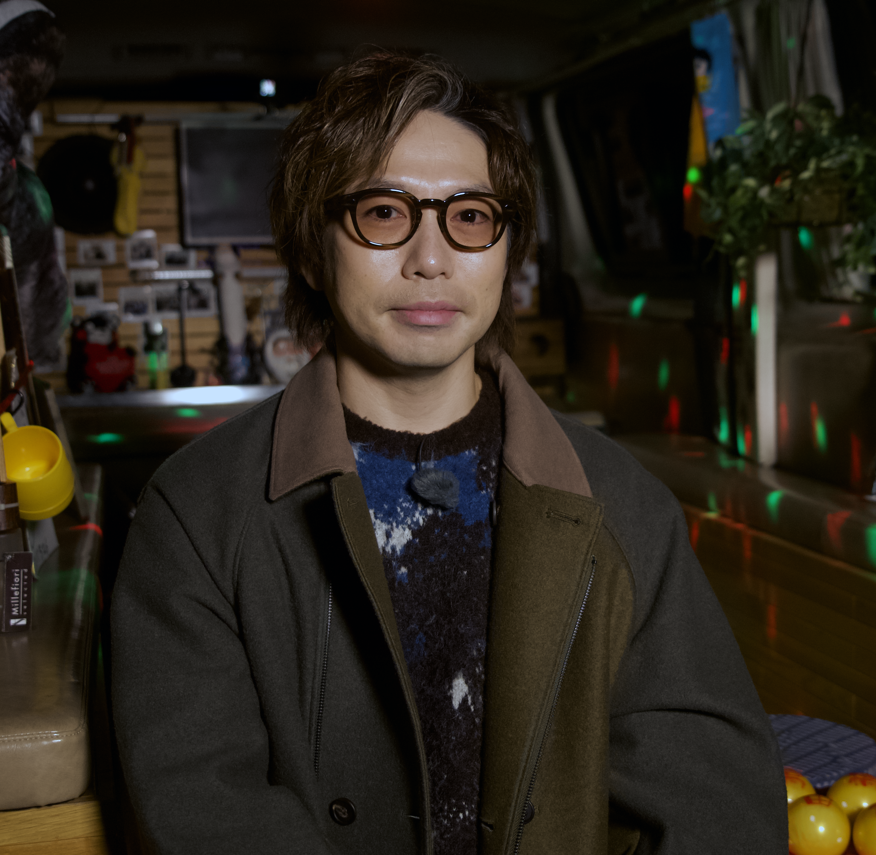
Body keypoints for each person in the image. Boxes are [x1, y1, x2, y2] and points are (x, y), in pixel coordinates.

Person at [111, 51, 786, 854]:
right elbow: (209, 812)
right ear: (311, 250)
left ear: (506, 250)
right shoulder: (198, 512)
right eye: (383, 212)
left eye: (469, 216)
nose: (431, 258)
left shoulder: (620, 504)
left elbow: (718, 798)